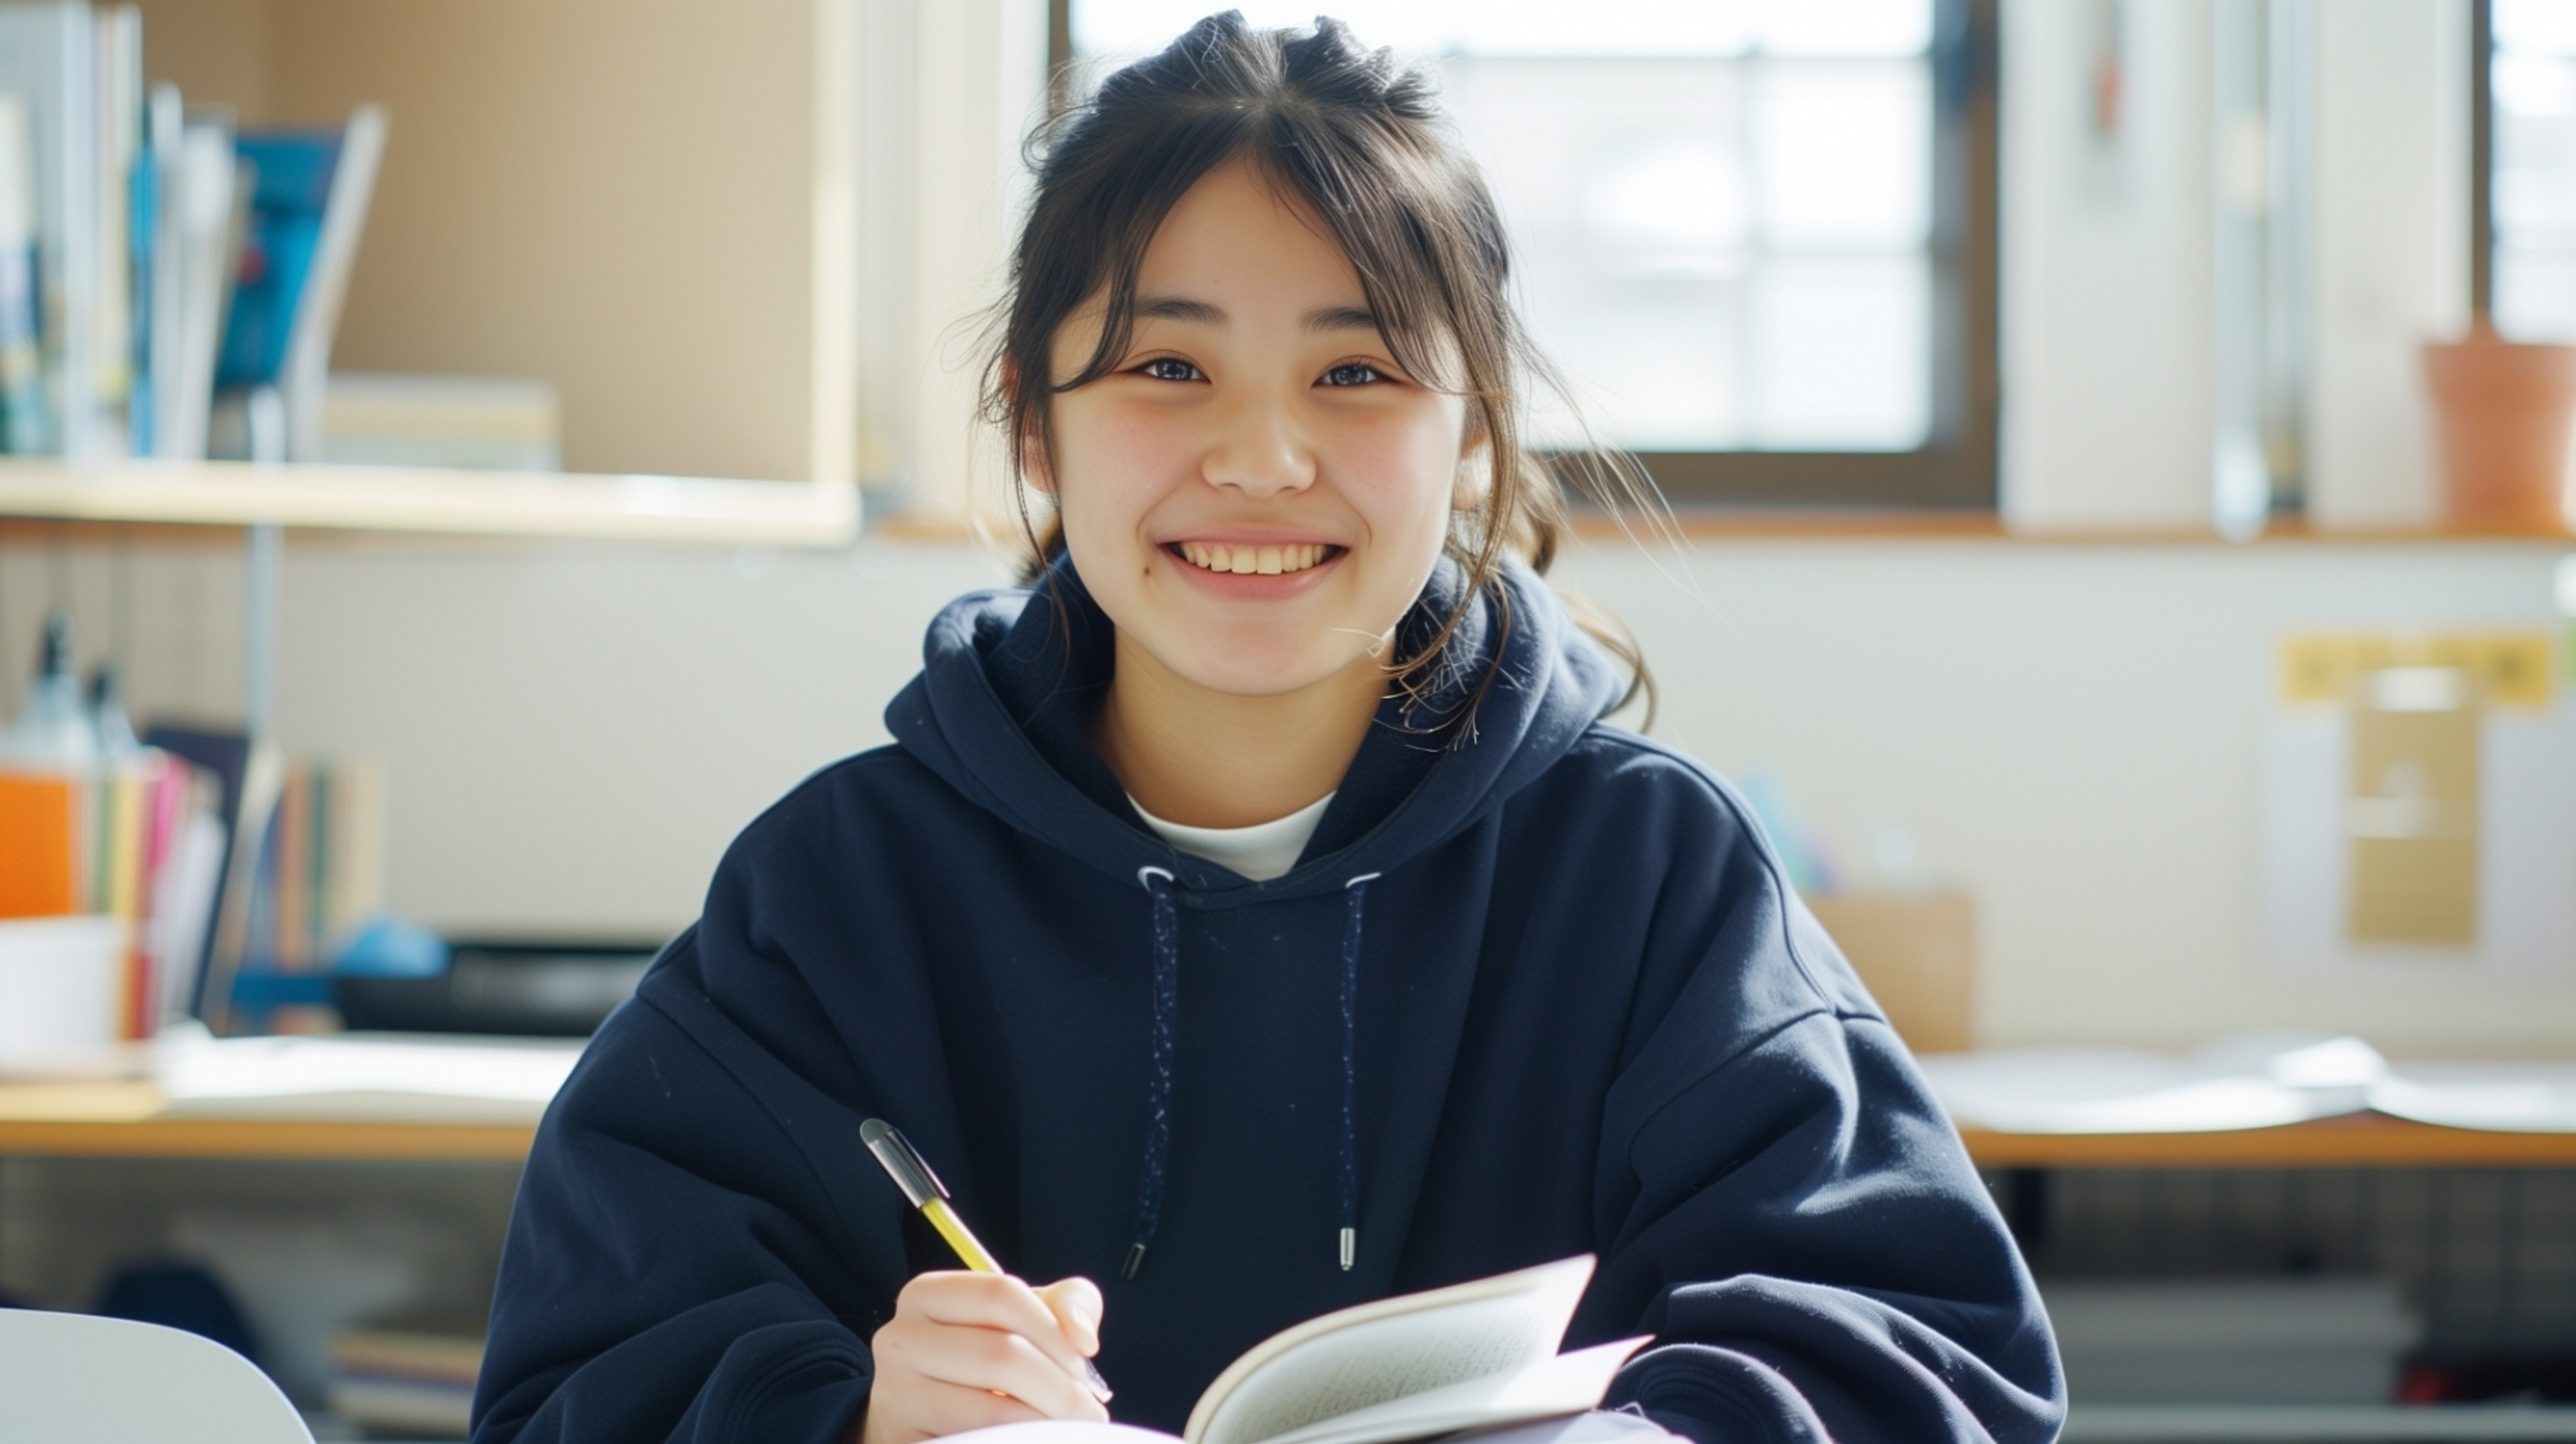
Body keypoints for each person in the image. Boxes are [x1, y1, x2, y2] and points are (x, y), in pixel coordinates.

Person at [470, 13, 2063, 1444]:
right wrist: (848, 1410)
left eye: (1356, 371)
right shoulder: (839, 889)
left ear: (1470, 434)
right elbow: (574, 1381)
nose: (1262, 455)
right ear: (1035, 418)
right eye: (1169, 364)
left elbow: (1927, 1354)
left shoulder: (1650, 875)